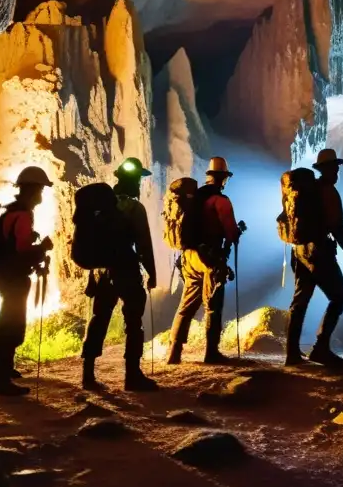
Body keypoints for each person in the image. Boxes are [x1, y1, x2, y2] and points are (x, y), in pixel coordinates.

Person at [81, 157, 159, 392]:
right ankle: (132, 375)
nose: (139, 185)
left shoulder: (100, 208)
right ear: (134, 181)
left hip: (102, 271)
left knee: (99, 318)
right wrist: (152, 273)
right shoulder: (134, 207)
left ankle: (88, 373)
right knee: (134, 322)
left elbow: (93, 242)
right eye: (138, 181)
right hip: (125, 269)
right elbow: (143, 244)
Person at [0, 166, 53, 396]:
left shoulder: (12, 213)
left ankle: (4, 370)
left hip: (7, 276)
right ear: (32, 191)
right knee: (10, 326)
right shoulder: (21, 215)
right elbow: (21, 249)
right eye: (41, 189)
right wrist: (41, 247)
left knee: (9, 323)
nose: (42, 194)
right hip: (12, 278)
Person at [166, 156, 241, 365]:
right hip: (208, 258)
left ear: (209, 176)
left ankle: (174, 352)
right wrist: (235, 235)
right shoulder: (220, 201)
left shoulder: (194, 198)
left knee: (187, 304)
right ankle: (211, 352)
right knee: (213, 305)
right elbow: (231, 232)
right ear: (223, 178)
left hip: (188, 257)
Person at [286, 147, 343, 367]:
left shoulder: (307, 191)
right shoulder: (328, 191)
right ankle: (320, 348)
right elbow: (336, 226)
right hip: (318, 251)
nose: (337, 171)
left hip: (299, 250)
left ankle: (292, 354)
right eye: (335, 167)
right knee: (338, 297)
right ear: (327, 169)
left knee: (300, 301)